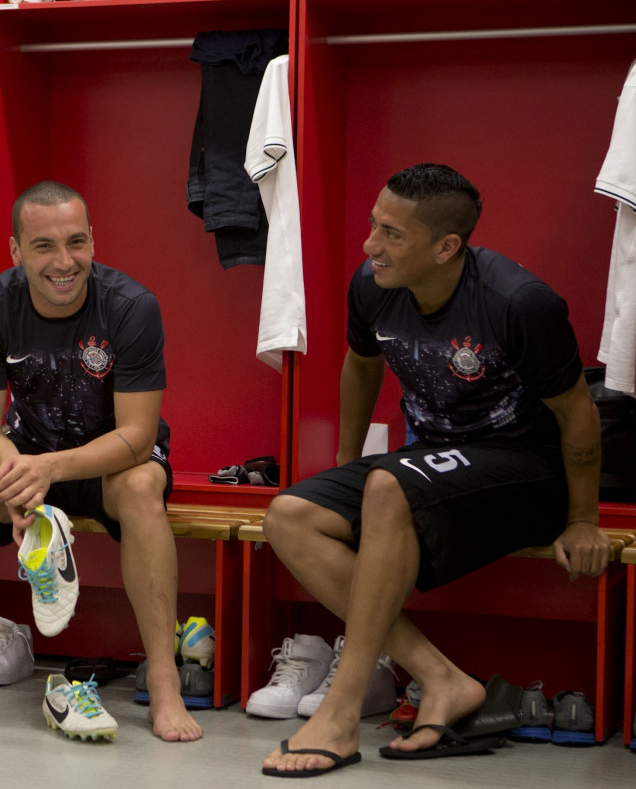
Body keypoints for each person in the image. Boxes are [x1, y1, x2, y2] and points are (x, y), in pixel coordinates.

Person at [260, 164, 610, 776]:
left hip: (526, 471)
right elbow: (362, 364)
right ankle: (441, 678)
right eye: (374, 225)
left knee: (389, 487)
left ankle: (341, 715)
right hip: (433, 460)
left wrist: (583, 518)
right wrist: (347, 463)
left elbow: (577, 410)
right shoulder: (373, 285)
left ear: (447, 247)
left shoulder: (518, 303)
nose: (371, 245)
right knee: (289, 516)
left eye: (392, 234)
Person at [0, 180, 202, 742]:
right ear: (14, 251)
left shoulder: (132, 307)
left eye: (76, 243)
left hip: (110, 460)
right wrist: (15, 474)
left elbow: (136, 435)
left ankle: (164, 680)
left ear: (93, 244)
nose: (64, 262)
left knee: (140, 489)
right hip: (27, 454)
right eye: (45, 246)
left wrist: (48, 470)